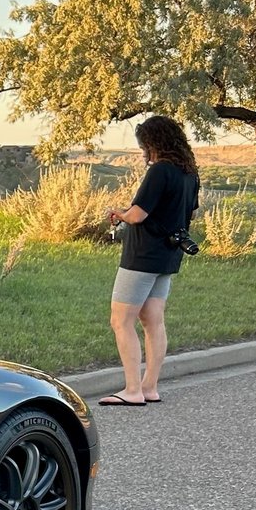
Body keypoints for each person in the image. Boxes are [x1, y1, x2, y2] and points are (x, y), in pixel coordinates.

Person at [100, 115, 201, 407]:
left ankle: (132, 390)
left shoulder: (160, 172)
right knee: (152, 320)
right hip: (169, 255)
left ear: (152, 143)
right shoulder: (190, 174)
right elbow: (188, 213)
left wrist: (119, 213)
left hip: (142, 256)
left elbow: (137, 215)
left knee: (121, 320)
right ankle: (150, 386)